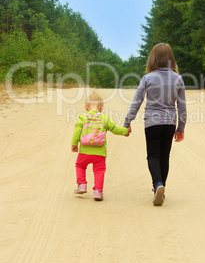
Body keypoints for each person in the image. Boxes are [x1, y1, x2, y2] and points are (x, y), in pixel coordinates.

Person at [124, 43, 187, 206]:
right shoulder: (178, 78)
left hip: (152, 122)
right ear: (171, 59)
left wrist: (127, 121)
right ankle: (161, 188)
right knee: (164, 155)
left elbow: (137, 102)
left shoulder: (147, 78)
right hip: (169, 123)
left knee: (153, 155)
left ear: (153, 59)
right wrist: (181, 128)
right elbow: (182, 106)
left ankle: (157, 184)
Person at [71, 92, 131, 201]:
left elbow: (77, 130)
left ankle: (82, 185)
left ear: (86, 107)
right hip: (100, 152)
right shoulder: (104, 117)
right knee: (99, 171)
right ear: (101, 108)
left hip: (84, 151)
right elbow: (114, 129)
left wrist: (74, 143)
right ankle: (98, 191)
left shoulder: (82, 117)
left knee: (80, 166)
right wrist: (125, 131)